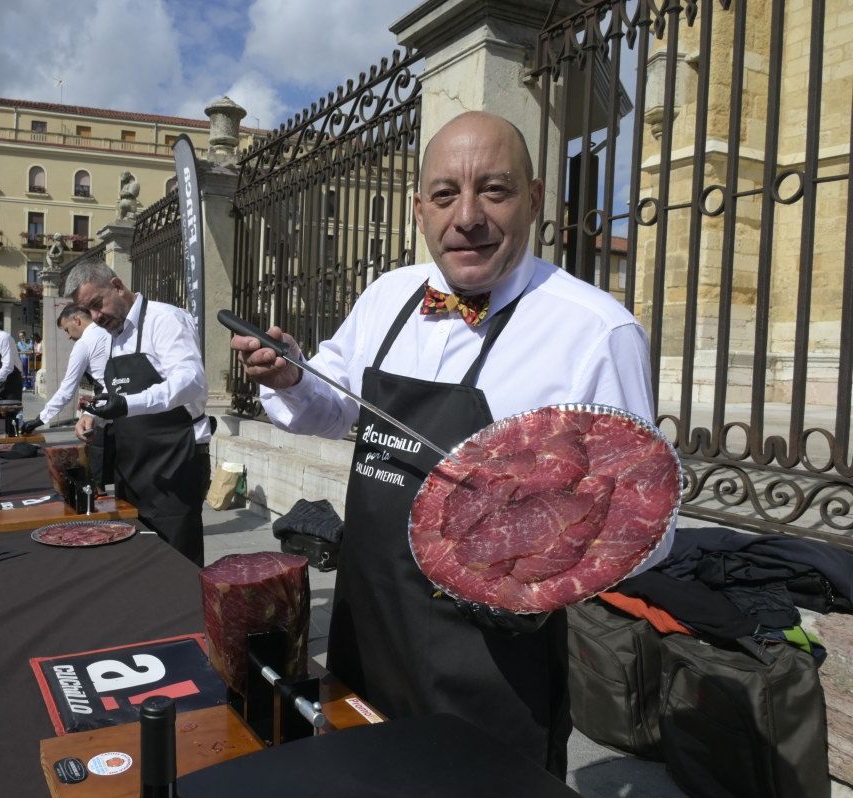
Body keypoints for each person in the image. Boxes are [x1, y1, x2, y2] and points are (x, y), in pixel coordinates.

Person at [231, 111, 667, 779]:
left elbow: (646, 531)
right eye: (445, 194)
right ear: (419, 210)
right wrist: (290, 376)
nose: (467, 216)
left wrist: (536, 535)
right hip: (366, 621)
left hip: (489, 663)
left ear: (535, 198)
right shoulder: (387, 297)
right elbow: (327, 410)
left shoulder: (595, 333)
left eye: (494, 190)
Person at [64, 262, 210, 566]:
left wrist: (129, 405)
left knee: (177, 560)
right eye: (86, 311)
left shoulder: (165, 319)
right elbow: (116, 391)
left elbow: (190, 381)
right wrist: (95, 415)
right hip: (131, 466)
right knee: (140, 559)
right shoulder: (111, 334)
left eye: (96, 304)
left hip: (174, 462)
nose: (95, 317)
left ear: (117, 286)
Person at [22, 305, 114, 489]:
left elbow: (67, 388)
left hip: (107, 412)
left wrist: (41, 418)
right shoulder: (110, 332)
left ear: (77, 321)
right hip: (128, 408)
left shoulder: (84, 343)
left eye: (66, 330)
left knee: (97, 473)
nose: (68, 336)